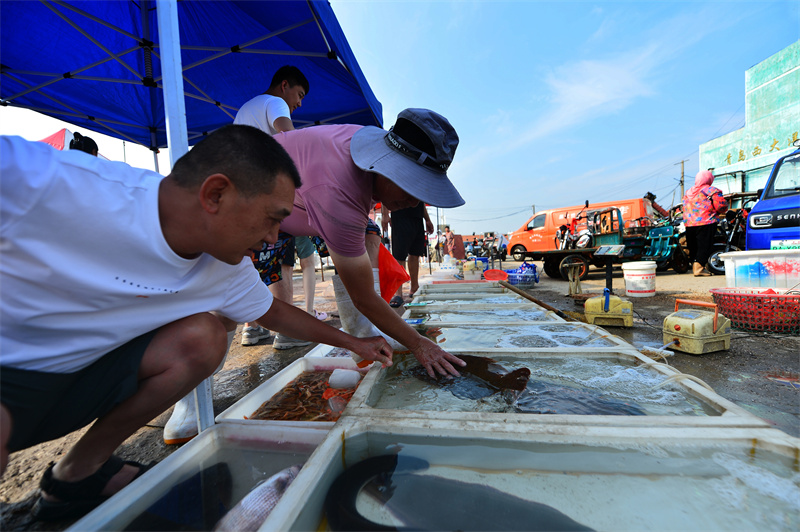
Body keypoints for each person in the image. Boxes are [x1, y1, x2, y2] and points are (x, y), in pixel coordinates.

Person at [0, 127, 391, 520]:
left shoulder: (224, 263)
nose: (275, 236)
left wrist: (355, 343)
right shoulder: (47, 180)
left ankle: (76, 475)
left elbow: (274, 313)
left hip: (77, 385)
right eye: (273, 219)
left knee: (203, 337)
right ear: (215, 194)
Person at [271, 108, 468, 378]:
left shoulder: (373, 143)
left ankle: (366, 331)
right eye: (413, 186)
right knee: (229, 308)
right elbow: (362, 297)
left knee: (370, 231)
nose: (414, 202)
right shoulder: (339, 196)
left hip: (306, 196)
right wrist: (418, 343)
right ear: (386, 166)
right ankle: (363, 334)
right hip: (264, 203)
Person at [234, 65, 312, 348]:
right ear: (284, 85)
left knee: (254, 261)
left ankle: (252, 329)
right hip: (266, 194)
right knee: (282, 261)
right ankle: (288, 333)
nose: (299, 102)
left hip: (243, 194)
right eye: (299, 94)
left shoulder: (246, 108)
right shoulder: (276, 102)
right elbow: (291, 140)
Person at [381, 202, 434, 307]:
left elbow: (420, 200)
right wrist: (385, 215)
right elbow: (384, 191)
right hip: (399, 213)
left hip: (417, 216)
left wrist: (427, 219)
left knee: (415, 253)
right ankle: (398, 293)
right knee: (399, 255)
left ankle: (414, 287)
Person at [682, 170, 728, 276]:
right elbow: (721, 206)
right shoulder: (711, 190)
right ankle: (698, 268)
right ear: (709, 179)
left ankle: (696, 266)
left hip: (689, 223)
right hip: (706, 221)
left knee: (694, 246)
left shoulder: (689, 192)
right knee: (704, 245)